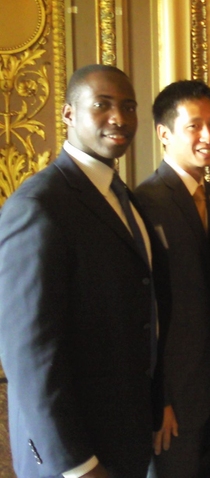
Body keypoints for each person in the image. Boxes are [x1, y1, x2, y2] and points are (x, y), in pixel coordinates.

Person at [0, 64, 170, 478]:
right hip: (74, 457)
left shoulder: (124, 198)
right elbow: (29, 353)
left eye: (128, 107)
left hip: (125, 440)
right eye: (102, 105)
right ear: (69, 115)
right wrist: (75, 464)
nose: (119, 118)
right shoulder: (39, 205)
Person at [134, 80, 210, 478]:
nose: (208, 136)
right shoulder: (146, 202)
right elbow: (145, 312)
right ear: (164, 133)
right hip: (174, 397)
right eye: (195, 125)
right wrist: (159, 398)